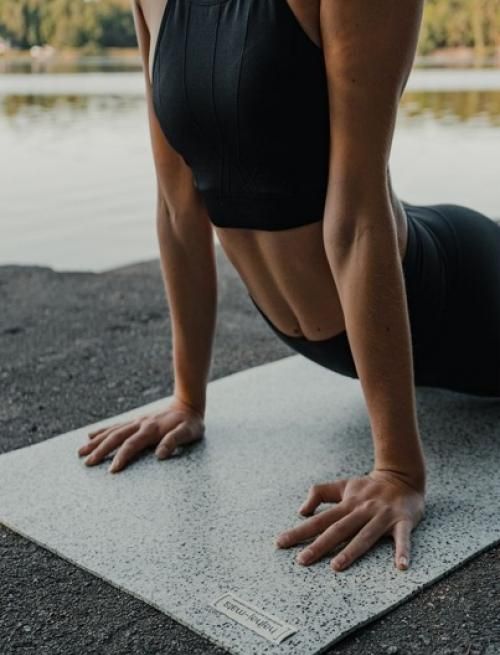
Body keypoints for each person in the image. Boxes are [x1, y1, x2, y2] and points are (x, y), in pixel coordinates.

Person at [78, 0, 500, 574]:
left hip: (457, 295)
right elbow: (178, 208)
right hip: (335, 335)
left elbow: (356, 219)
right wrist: (186, 398)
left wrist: (397, 470)